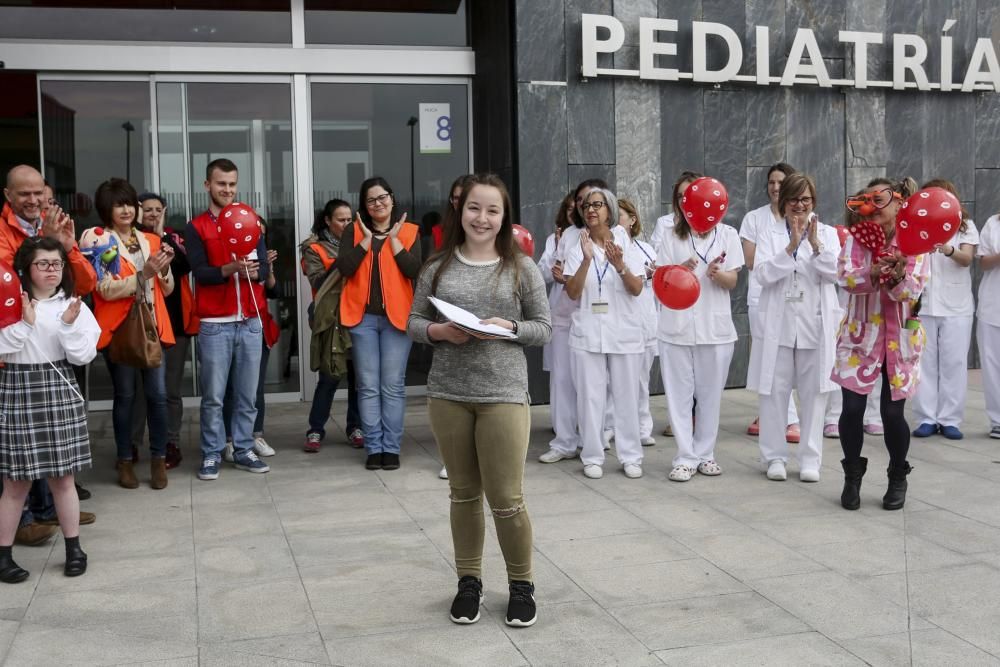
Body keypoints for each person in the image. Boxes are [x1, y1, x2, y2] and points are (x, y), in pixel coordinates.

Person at [407, 172, 551, 628]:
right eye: (474, 208)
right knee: (463, 495)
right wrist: (438, 331)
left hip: (503, 395)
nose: (482, 218)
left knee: (506, 498)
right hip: (448, 394)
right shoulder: (437, 266)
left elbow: (543, 328)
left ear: (504, 216)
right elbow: (412, 321)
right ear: (459, 210)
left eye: (492, 210)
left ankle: (521, 585)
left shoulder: (521, 267)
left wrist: (508, 328)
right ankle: (468, 582)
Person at [2, 167, 96, 541]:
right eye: (23, 194)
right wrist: (45, 248)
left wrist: (66, 249)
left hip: (51, 349)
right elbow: (11, 283)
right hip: (13, 351)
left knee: (56, 460)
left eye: (38, 193)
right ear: (8, 196)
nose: (33, 200)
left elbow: (85, 284)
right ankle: (23, 521)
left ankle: (46, 511)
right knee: (18, 461)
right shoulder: (5, 233)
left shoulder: (52, 229)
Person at [0, 236, 100, 583]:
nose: (51, 271)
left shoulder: (72, 306)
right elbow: (3, 347)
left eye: (56, 264)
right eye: (43, 264)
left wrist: (70, 325)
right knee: (15, 483)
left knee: (63, 478)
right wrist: (25, 323)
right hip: (17, 387)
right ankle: (4, 556)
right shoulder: (10, 303)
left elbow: (83, 355)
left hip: (58, 387)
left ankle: (74, 549)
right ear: (26, 268)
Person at [833, 177, 928, 511]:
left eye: (879, 199)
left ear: (898, 203)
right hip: (860, 337)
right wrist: (872, 273)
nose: (872, 207)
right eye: (865, 200)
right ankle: (852, 475)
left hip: (898, 339)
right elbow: (844, 278)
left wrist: (899, 275)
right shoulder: (855, 239)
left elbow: (912, 292)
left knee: (891, 413)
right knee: (853, 409)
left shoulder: (915, 241)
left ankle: (897, 475)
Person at [80, 178, 175, 490]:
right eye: (117, 204)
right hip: (120, 326)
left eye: (129, 203)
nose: (125, 209)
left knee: (158, 397)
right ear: (106, 209)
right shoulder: (96, 239)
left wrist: (162, 269)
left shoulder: (149, 238)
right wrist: (143, 274)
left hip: (152, 325)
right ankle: (124, 460)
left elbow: (169, 287)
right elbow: (104, 290)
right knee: (125, 396)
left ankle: (158, 459)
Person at [747, 174, 840, 482]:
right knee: (774, 392)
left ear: (813, 202)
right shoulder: (770, 234)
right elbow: (762, 274)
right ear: (783, 202)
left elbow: (835, 274)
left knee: (815, 394)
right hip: (780, 323)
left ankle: (810, 459)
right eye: (793, 200)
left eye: (806, 200)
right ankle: (774, 456)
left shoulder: (826, 233)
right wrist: (790, 247)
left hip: (814, 323)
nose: (799, 206)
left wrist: (813, 245)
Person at [186, 158, 271, 481]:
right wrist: (230, 270)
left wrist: (256, 270)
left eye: (232, 184)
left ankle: (244, 448)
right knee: (214, 396)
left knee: (248, 394)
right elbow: (200, 272)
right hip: (215, 323)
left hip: (250, 319)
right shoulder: (196, 227)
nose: (227, 189)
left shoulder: (251, 220)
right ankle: (211, 453)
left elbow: (264, 268)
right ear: (207, 185)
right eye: (221, 183)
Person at [656, 201, 744, 482]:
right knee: (679, 396)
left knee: (709, 396)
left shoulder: (728, 234)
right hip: (676, 327)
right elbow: (659, 278)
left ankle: (705, 454)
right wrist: (678, 269)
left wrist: (719, 275)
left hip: (715, 328)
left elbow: (733, 280)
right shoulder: (671, 234)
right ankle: (684, 456)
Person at [337, 177, 421, 470]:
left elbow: (414, 271)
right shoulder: (353, 231)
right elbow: (345, 268)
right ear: (365, 206)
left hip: (397, 319)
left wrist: (394, 242)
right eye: (371, 200)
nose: (378, 203)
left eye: (382, 197)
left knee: (393, 386)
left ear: (392, 198)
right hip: (363, 319)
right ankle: (374, 447)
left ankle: (391, 447)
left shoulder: (410, 231)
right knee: (368, 386)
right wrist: (364, 240)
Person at [562, 188, 645, 479]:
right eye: (586, 206)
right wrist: (586, 261)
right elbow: (572, 292)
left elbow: (636, 289)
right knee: (590, 398)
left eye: (597, 205)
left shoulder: (625, 241)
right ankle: (592, 456)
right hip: (588, 332)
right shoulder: (578, 246)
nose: (591, 210)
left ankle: (631, 456)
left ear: (609, 210)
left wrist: (620, 265)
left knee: (626, 398)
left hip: (623, 332)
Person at [537, 178, 607, 464]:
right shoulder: (565, 236)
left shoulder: (611, 234)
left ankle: (596, 438)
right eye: (580, 201)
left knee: (596, 385)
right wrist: (556, 272)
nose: (584, 206)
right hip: (565, 316)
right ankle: (564, 441)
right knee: (563, 380)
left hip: (596, 318)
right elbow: (550, 269)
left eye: (591, 201)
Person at [130, 192, 197, 469]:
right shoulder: (130, 239)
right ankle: (132, 445)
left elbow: (184, 266)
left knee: (170, 390)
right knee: (138, 391)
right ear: (137, 212)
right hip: (140, 323)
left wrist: (161, 236)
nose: (153, 214)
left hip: (175, 324)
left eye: (158, 210)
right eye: (147, 210)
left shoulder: (174, 237)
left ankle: (171, 443)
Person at [910, 179, 979, 440]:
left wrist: (947, 248)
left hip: (956, 306)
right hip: (924, 304)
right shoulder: (917, 223)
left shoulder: (965, 226)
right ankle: (926, 417)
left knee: (954, 362)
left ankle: (950, 419)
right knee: (923, 363)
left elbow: (966, 260)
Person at [740, 162, 801, 443]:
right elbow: (752, 261)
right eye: (771, 182)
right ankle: (771, 414)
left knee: (789, 358)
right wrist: (784, 257)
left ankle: (789, 417)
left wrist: (777, 259)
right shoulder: (754, 219)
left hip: (796, 300)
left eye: (781, 182)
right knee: (769, 358)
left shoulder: (803, 218)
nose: (775, 187)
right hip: (761, 298)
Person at [301, 198, 362, 453]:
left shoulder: (362, 244)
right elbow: (317, 281)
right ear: (328, 221)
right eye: (341, 220)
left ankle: (355, 427)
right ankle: (315, 429)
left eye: (350, 220)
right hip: (331, 319)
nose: (347, 224)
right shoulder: (314, 248)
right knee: (329, 375)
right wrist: (345, 258)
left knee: (358, 377)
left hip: (357, 316)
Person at [620, 198, 659, 447]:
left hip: (645, 320)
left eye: (621, 216)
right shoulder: (609, 249)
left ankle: (644, 427)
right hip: (621, 322)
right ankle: (615, 426)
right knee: (618, 382)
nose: (616, 221)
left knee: (642, 380)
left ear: (632, 219)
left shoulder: (646, 249)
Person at [978, 208, 1000, 439]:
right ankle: (997, 420)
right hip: (993, 304)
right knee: (993, 365)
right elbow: (983, 263)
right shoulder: (993, 223)